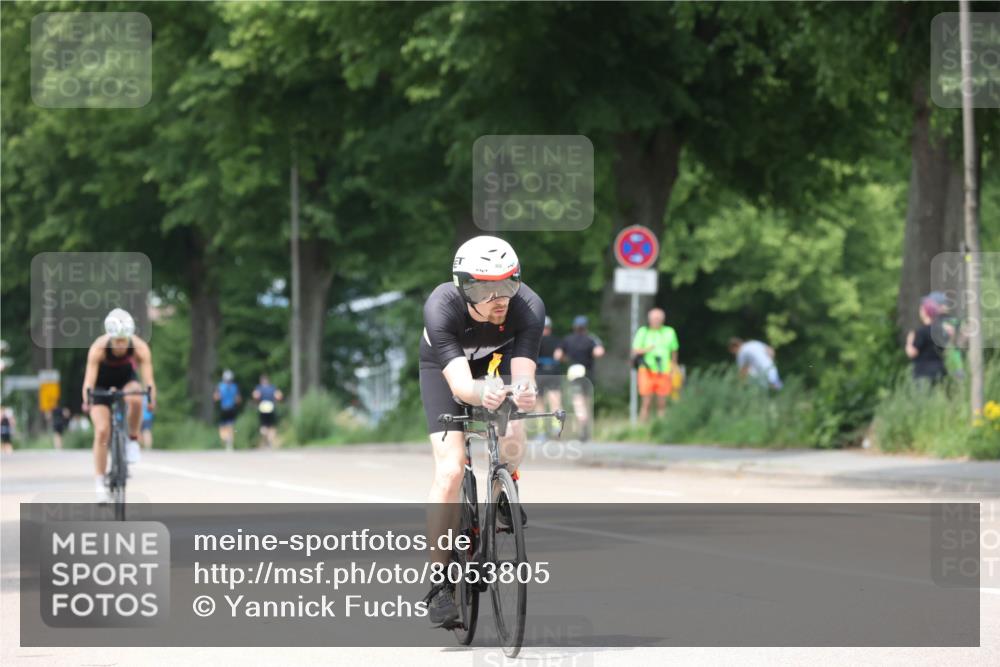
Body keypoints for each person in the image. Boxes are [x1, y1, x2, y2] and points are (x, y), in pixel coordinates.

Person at [419, 235, 543, 628]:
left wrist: (524, 394)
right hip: (447, 372)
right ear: (464, 287)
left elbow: (523, 376)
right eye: (486, 289)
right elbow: (459, 387)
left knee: (514, 435)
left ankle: (503, 489)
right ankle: (439, 581)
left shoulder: (528, 307)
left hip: (497, 363)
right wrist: (482, 392)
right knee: (452, 469)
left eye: (509, 284)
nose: (500, 297)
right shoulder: (441, 306)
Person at [82, 308, 156, 503]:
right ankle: (99, 482)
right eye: (118, 341)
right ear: (110, 337)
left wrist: (151, 399)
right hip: (101, 385)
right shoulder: (98, 348)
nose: (122, 345)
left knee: (136, 396)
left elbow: (149, 381)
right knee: (102, 431)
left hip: (126, 380)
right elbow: (89, 381)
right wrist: (87, 400)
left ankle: (132, 440)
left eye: (125, 340)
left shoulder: (140, 348)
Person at [554, 315, 605, 441]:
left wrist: (565, 358)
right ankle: (585, 427)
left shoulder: (567, 339)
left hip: (574, 374)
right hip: (588, 374)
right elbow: (599, 352)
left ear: (574, 327)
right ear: (586, 327)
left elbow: (557, 355)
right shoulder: (591, 339)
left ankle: (582, 427)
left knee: (578, 403)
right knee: (587, 402)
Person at [631, 307, 680, 421]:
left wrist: (674, 367)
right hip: (647, 370)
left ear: (663, 319)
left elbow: (674, 350)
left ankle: (660, 427)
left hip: (664, 370)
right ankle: (641, 427)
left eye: (658, 318)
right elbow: (635, 350)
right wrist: (648, 349)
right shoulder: (643, 331)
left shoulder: (669, 331)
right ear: (649, 319)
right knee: (646, 402)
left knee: (662, 402)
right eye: (654, 318)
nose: (656, 320)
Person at [905, 297, 947, 384]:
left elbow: (912, 353)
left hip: (923, 373)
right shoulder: (941, 331)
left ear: (925, 312)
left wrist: (909, 342)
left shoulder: (921, 332)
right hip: (940, 371)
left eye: (921, 309)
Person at [536, 316, 563, 435]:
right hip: (553, 373)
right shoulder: (557, 341)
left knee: (539, 404)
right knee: (555, 401)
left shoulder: (535, 341)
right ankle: (556, 428)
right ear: (550, 328)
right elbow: (559, 356)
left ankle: (541, 432)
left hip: (540, 373)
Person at [252, 374, 283, 448]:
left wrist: (256, 401)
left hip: (262, 407)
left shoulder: (259, 388)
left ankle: (266, 439)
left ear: (261, 381)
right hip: (270, 407)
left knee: (264, 425)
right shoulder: (272, 388)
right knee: (271, 425)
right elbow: (279, 396)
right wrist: (277, 400)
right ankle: (270, 441)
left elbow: (255, 395)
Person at [214, 369, 242, 451]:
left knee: (222, 426)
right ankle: (230, 444)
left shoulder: (220, 386)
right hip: (232, 408)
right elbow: (238, 399)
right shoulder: (234, 386)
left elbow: (216, 397)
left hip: (224, 408)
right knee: (231, 425)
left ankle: (225, 438)